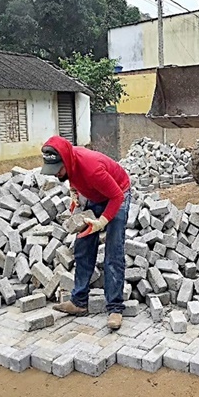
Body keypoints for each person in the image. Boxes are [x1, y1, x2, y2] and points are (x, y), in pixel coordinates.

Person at [39, 135, 131, 331]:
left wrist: (102, 222)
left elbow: (117, 196)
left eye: (57, 170)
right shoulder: (69, 164)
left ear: (66, 161)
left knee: (113, 253)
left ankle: (115, 307)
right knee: (83, 247)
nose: (56, 175)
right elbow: (73, 176)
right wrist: (74, 192)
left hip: (118, 193)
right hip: (94, 195)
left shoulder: (92, 168)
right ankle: (79, 302)